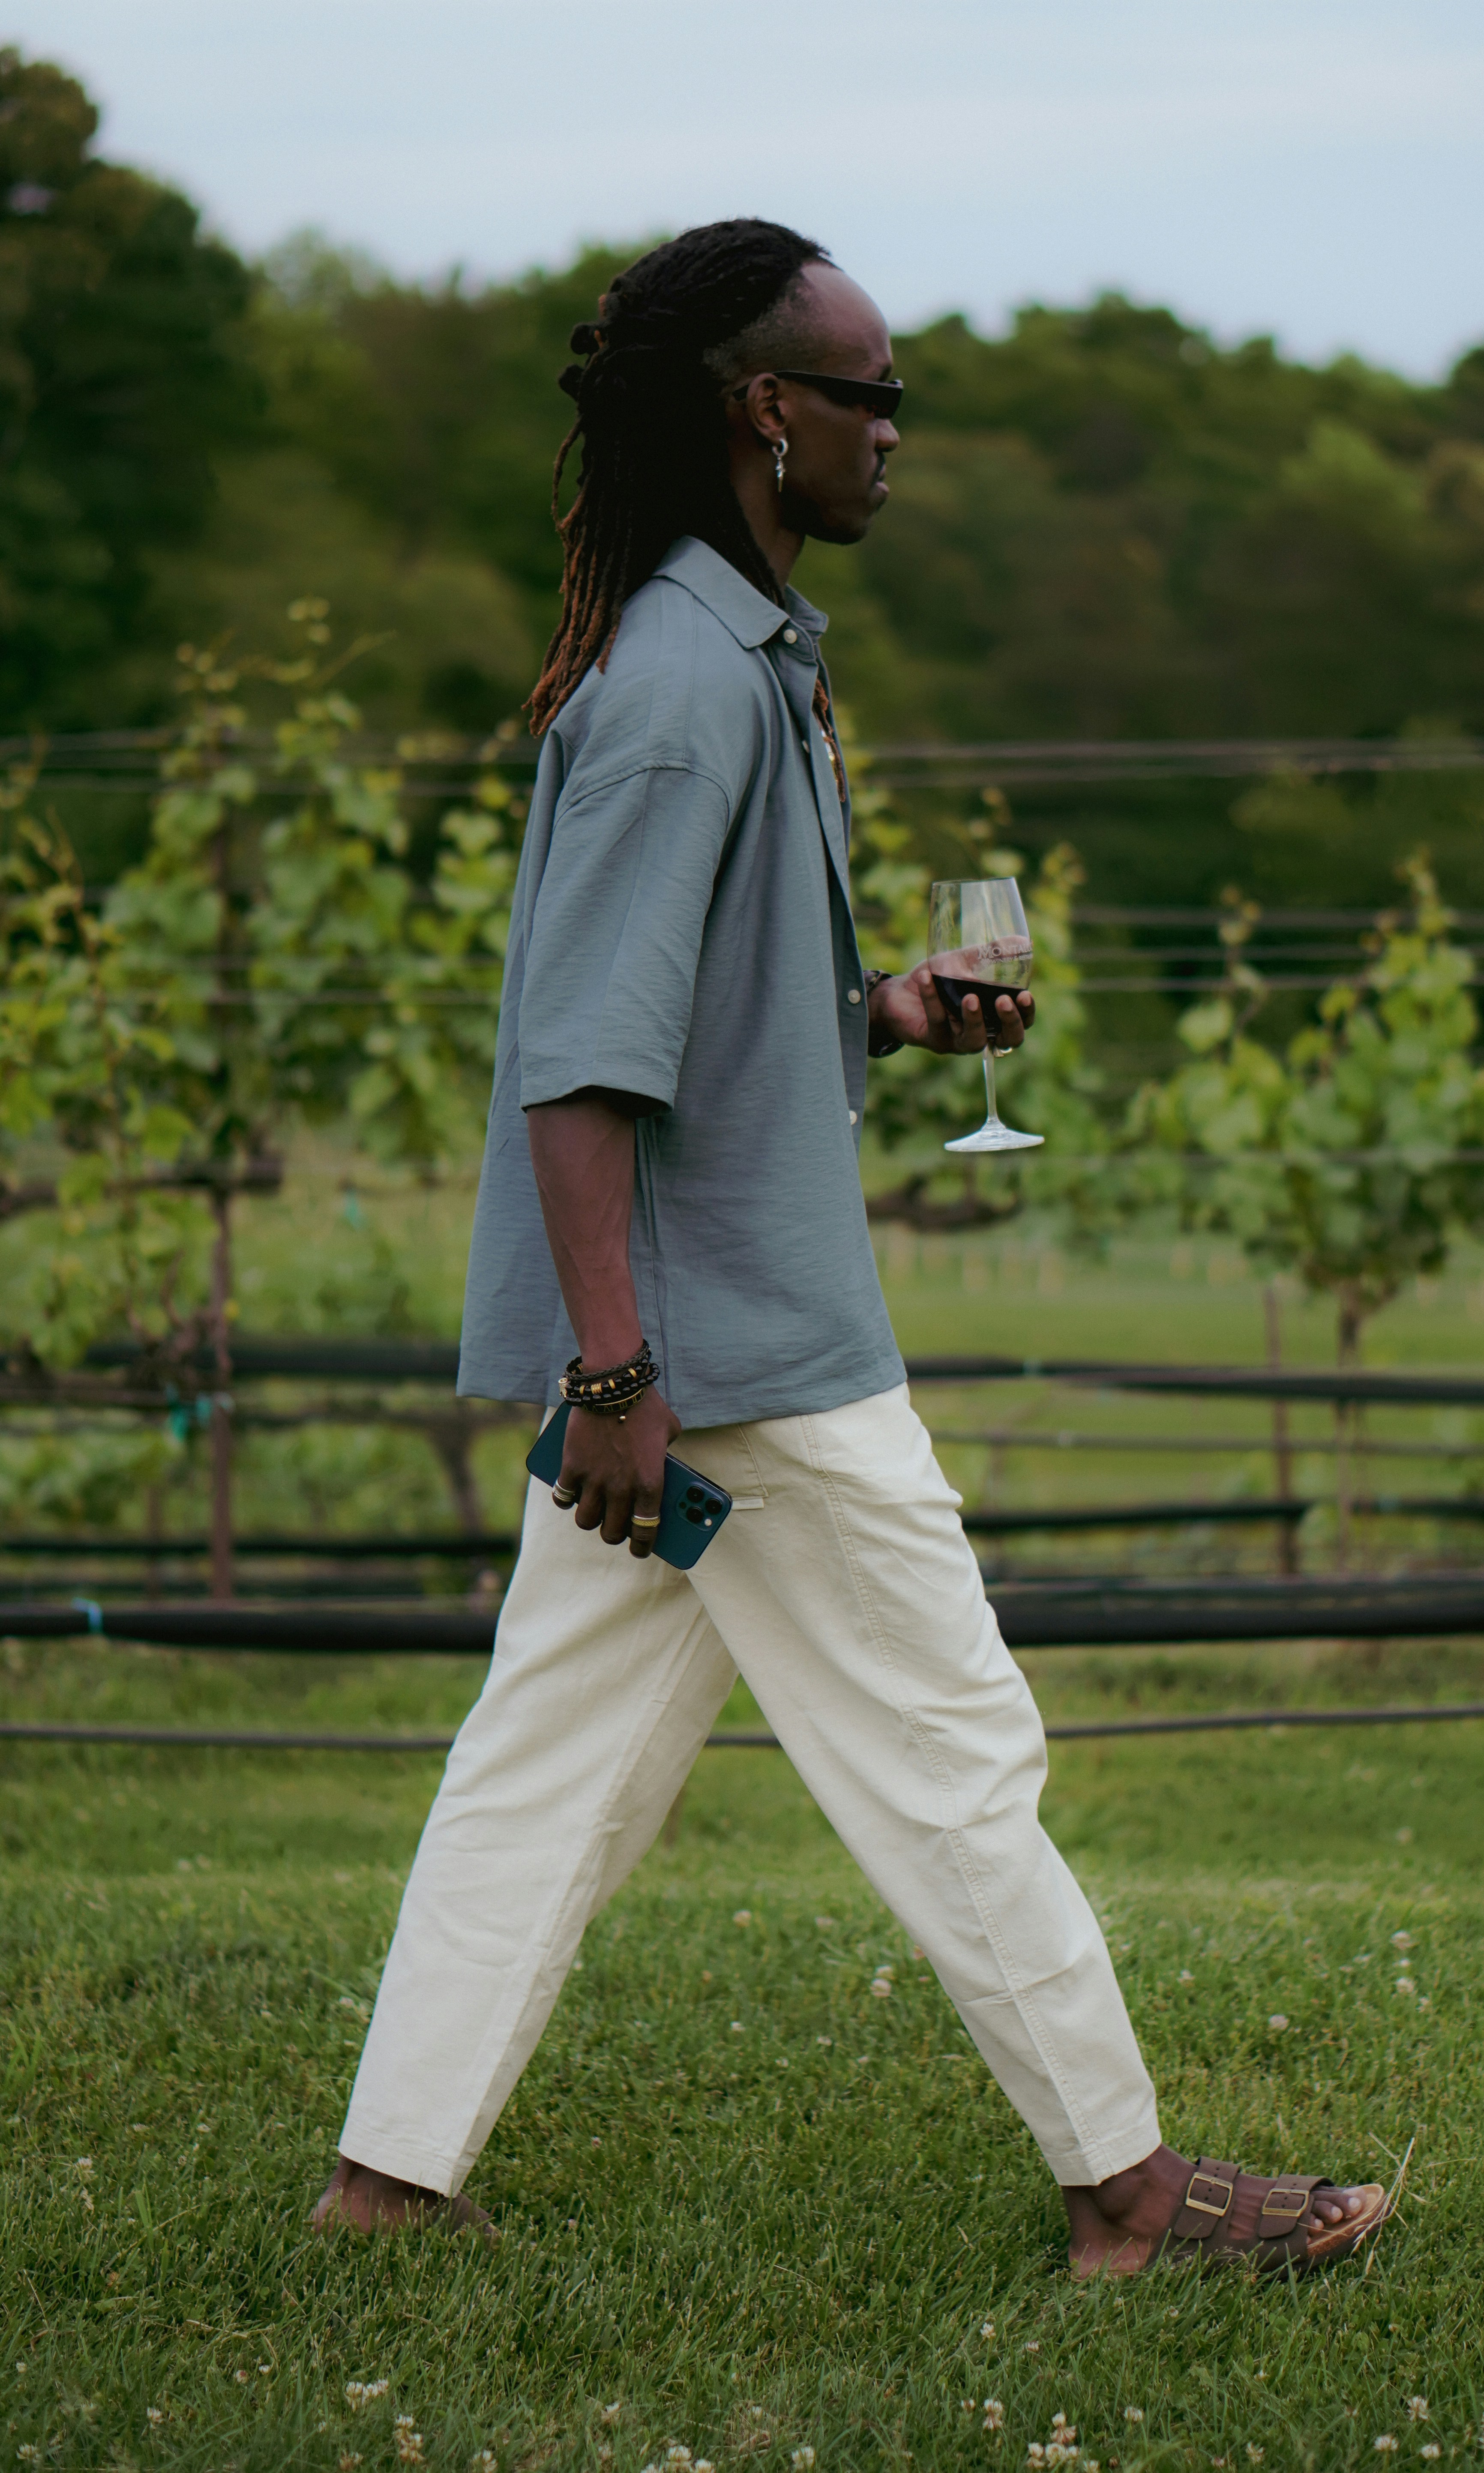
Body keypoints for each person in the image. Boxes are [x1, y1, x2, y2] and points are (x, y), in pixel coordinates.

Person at [312, 219, 1387, 2277]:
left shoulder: (740, 658)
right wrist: (617, 1377)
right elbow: (575, 1063)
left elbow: (690, 1021)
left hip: (685, 1345)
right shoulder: (686, 691)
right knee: (955, 1743)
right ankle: (1134, 2197)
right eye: (872, 394)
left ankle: (382, 2189)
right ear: (765, 411)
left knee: (545, 1767)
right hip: (739, 1365)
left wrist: (876, 1011)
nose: (901, 431)